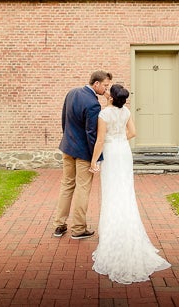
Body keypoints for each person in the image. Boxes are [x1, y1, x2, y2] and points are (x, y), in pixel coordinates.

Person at [89, 84, 171, 283]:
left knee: (112, 192)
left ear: (112, 97)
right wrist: (118, 140)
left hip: (110, 152)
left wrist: (93, 161)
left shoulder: (104, 114)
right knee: (125, 191)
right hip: (124, 152)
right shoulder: (125, 111)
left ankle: (113, 236)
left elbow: (100, 140)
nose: (106, 91)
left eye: (109, 90)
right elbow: (133, 133)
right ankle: (127, 228)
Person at [52, 70, 112, 240]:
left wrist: (68, 139)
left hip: (67, 147)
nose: (106, 90)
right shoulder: (93, 104)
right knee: (82, 189)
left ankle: (59, 225)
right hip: (83, 152)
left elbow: (64, 119)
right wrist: (96, 159)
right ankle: (78, 229)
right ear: (96, 84)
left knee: (67, 185)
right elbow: (91, 134)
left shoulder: (72, 92)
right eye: (105, 86)